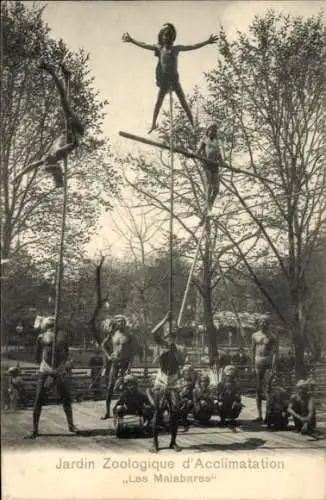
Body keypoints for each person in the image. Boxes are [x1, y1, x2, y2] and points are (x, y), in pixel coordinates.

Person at [122, 24, 218, 133]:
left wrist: (207, 42)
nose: (167, 37)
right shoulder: (159, 48)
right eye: (165, 35)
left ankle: (192, 125)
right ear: (162, 37)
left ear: (172, 37)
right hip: (164, 80)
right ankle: (153, 124)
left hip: (174, 79)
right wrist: (132, 40)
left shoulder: (176, 49)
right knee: (158, 102)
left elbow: (193, 46)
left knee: (183, 102)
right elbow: (144, 45)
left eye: (169, 35)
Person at [18, 62, 84, 188]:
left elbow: (30, 166)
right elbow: (76, 143)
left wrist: (19, 175)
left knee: (65, 101)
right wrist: (73, 130)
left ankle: (66, 77)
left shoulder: (47, 158)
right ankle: (55, 73)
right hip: (75, 130)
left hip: (69, 130)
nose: (45, 157)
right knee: (63, 100)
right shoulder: (59, 152)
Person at [25, 316, 79, 439]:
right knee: (39, 398)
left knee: (66, 398)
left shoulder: (63, 336)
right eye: (50, 324)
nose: (52, 326)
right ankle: (35, 429)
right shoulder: (41, 337)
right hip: (45, 369)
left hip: (59, 370)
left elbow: (66, 352)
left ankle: (71, 425)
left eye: (53, 324)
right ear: (46, 325)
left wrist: (61, 368)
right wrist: (47, 368)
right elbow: (37, 356)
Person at [150, 311, 187, 453]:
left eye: (173, 336)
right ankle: (154, 442)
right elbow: (153, 332)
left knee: (175, 413)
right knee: (158, 411)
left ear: (175, 337)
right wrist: (164, 319)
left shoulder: (179, 348)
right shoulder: (161, 345)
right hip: (161, 380)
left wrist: (175, 351)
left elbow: (182, 362)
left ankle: (173, 442)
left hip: (173, 382)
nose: (170, 338)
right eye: (167, 336)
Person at [101, 315, 138, 419]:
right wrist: (108, 356)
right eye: (118, 322)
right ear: (116, 323)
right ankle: (107, 412)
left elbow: (133, 352)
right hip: (115, 363)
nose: (120, 323)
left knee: (126, 387)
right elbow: (103, 345)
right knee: (110, 387)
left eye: (122, 321)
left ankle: (128, 409)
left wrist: (130, 366)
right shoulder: (113, 333)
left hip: (125, 363)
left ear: (125, 323)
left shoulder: (130, 335)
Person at [251, 317, 278, 422]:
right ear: (259, 323)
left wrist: (273, 367)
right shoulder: (254, 335)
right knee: (258, 390)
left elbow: (275, 353)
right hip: (258, 363)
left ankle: (268, 415)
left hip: (268, 364)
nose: (263, 323)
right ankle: (259, 415)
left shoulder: (272, 336)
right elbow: (252, 351)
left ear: (268, 323)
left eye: (265, 322)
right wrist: (252, 366)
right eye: (261, 321)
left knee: (268, 390)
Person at [197, 123, 224, 213]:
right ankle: (208, 207)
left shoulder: (216, 142)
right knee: (208, 187)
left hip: (215, 166)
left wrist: (223, 163)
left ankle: (209, 204)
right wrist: (202, 161)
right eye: (211, 130)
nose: (213, 132)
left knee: (216, 190)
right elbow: (197, 153)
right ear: (208, 131)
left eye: (215, 131)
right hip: (207, 166)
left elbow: (219, 155)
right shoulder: (204, 140)